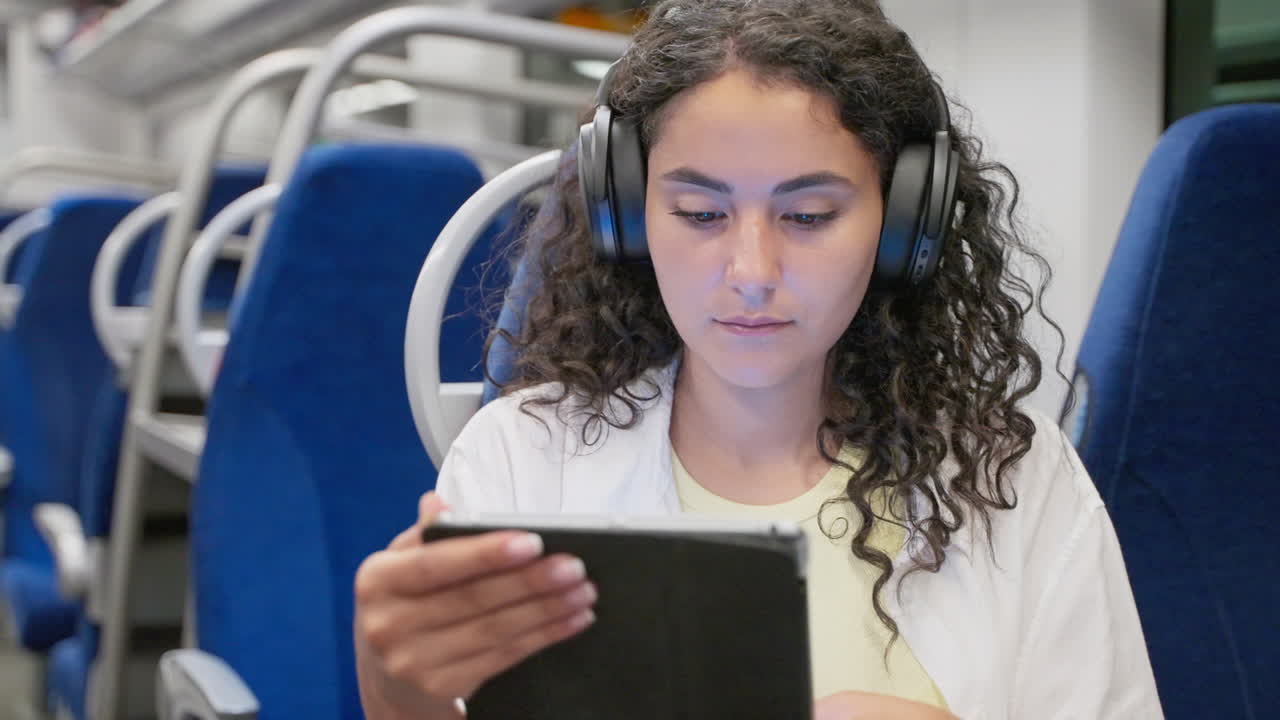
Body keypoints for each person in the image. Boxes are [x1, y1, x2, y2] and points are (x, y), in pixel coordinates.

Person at [353, 1, 1163, 718]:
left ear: (902, 226)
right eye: (700, 212)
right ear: (629, 220)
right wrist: (397, 689)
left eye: (808, 216)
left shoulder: (1009, 478)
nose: (750, 274)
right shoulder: (527, 456)